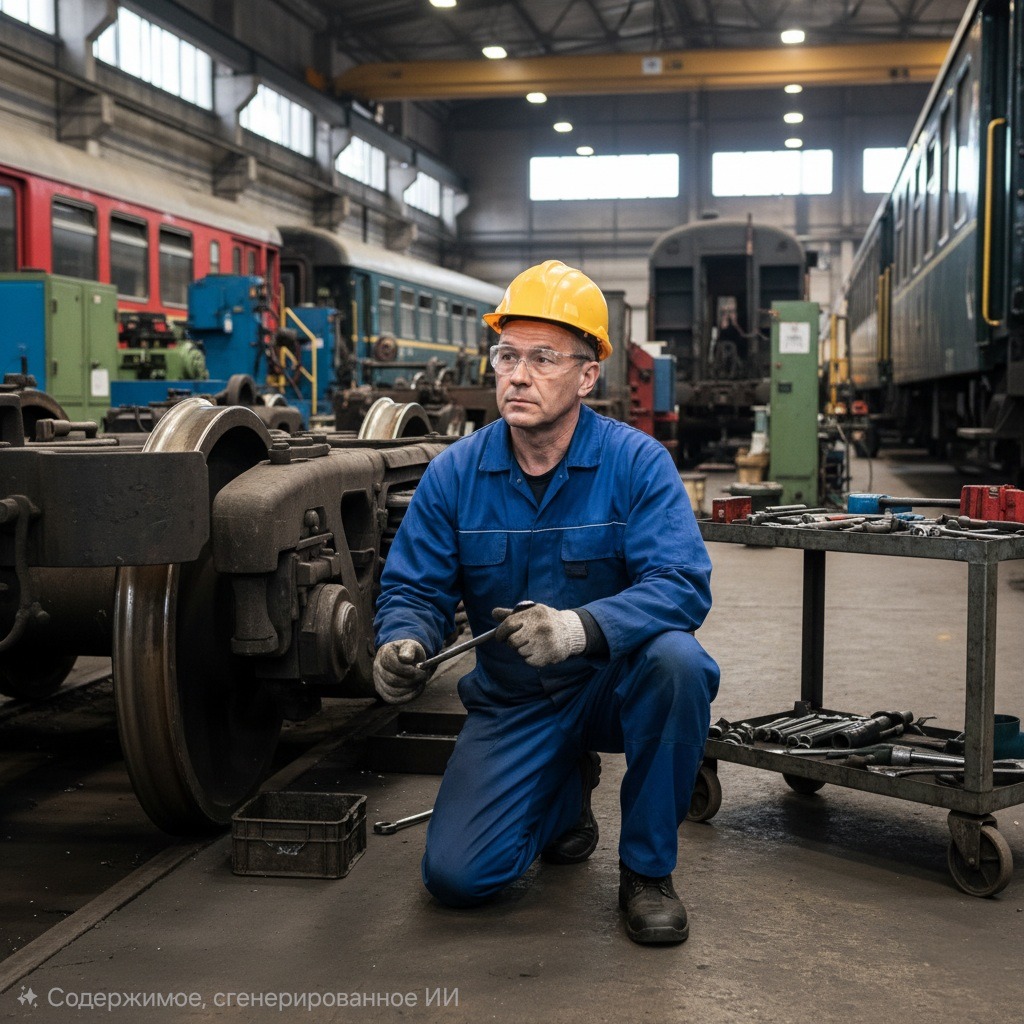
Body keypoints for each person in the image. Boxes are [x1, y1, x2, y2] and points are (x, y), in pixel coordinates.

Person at [372, 260, 720, 945]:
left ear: (587, 376)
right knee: (458, 879)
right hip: (516, 703)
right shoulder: (455, 474)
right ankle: (564, 793)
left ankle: (646, 872)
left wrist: (579, 629)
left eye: (543, 358)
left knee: (679, 664)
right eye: (507, 356)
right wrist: (402, 639)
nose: (518, 375)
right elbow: (414, 587)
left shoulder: (636, 463)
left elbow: (682, 583)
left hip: (610, 688)